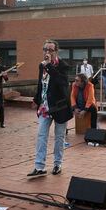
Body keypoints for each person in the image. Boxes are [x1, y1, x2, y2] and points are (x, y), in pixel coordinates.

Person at [28, 40, 73, 177]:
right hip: (45, 107)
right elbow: (40, 84)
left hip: (60, 107)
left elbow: (62, 83)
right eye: (45, 49)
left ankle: (57, 164)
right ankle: (39, 166)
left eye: (50, 50)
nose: (47, 52)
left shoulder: (63, 66)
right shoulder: (41, 66)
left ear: (56, 51)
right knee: (41, 135)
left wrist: (49, 66)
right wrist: (36, 100)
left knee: (59, 137)